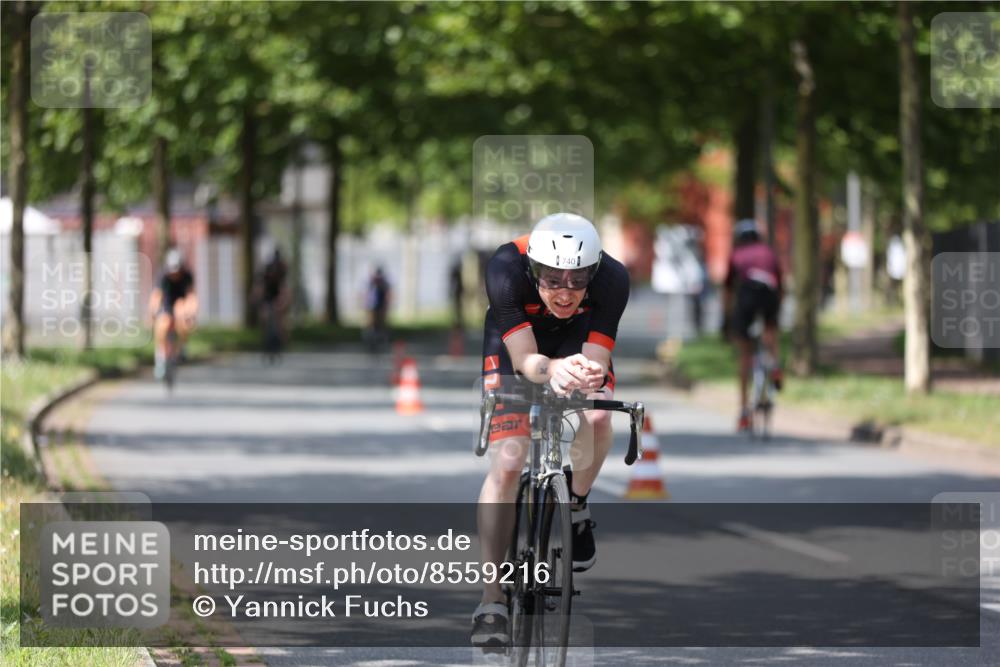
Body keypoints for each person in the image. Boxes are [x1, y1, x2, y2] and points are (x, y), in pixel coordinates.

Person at [471, 213, 629, 648]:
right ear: (532, 269)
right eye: (552, 279)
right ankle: (492, 599)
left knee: (598, 416)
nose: (564, 292)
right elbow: (526, 361)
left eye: (578, 281)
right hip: (516, 345)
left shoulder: (613, 279)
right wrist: (552, 370)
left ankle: (575, 505)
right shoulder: (505, 269)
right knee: (508, 460)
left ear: (594, 271)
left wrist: (584, 374)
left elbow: (597, 358)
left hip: (578, 338)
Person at [722, 219, 783, 432]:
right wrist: (775, 314)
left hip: (748, 295)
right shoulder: (769, 252)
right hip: (769, 294)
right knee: (770, 331)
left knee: (745, 353)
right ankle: (775, 366)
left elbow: (728, 290)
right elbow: (780, 285)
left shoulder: (736, 254)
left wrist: (727, 319)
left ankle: (743, 413)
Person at [148, 248, 198, 379]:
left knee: (182, 314)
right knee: (162, 324)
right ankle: (160, 357)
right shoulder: (163, 276)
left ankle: (183, 346)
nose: (174, 275)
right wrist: (153, 312)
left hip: (181, 302)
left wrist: (191, 313)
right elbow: (156, 296)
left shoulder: (187, 275)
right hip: (167, 302)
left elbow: (191, 296)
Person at [255, 248, 290, 357]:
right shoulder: (266, 270)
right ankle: (265, 340)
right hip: (267, 297)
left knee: (280, 320)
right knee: (264, 317)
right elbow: (260, 287)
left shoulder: (282, 270)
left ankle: (282, 341)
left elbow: (284, 288)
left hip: (277, 296)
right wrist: (258, 299)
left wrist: (283, 301)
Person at [365, 266, 391, 351]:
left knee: (380, 325)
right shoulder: (371, 282)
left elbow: (387, 295)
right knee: (372, 325)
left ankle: (380, 341)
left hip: (379, 307)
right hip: (372, 306)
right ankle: (371, 341)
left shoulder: (383, 283)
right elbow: (367, 294)